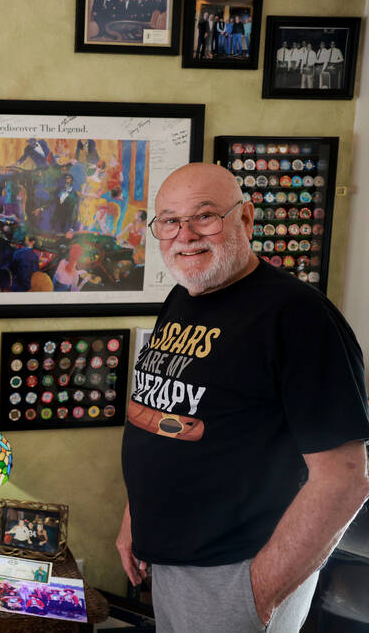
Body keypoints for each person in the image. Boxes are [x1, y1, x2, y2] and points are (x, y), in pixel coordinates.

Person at [117, 163, 369, 632]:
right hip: (175, 561)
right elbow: (159, 416)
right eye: (169, 221)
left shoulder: (298, 317)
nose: (185, 235)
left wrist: (259, 593)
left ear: (246, 219)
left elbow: (345, 478)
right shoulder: (185, 295)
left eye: (205, 216)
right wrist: (136, 519)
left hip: (235, 571)